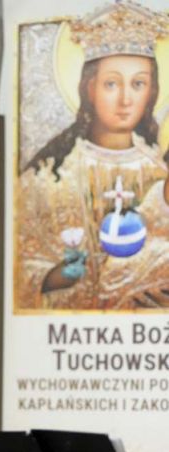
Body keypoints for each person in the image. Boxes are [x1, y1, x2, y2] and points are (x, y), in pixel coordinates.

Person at [16, 1, 169, 311]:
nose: (126, 99)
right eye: (111, 83)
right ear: (89, 88)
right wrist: (56, 276)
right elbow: (23, 268)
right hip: (67, 335)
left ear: (152, 90)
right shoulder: (49, 176)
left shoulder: (160, 172)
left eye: (138, 84)